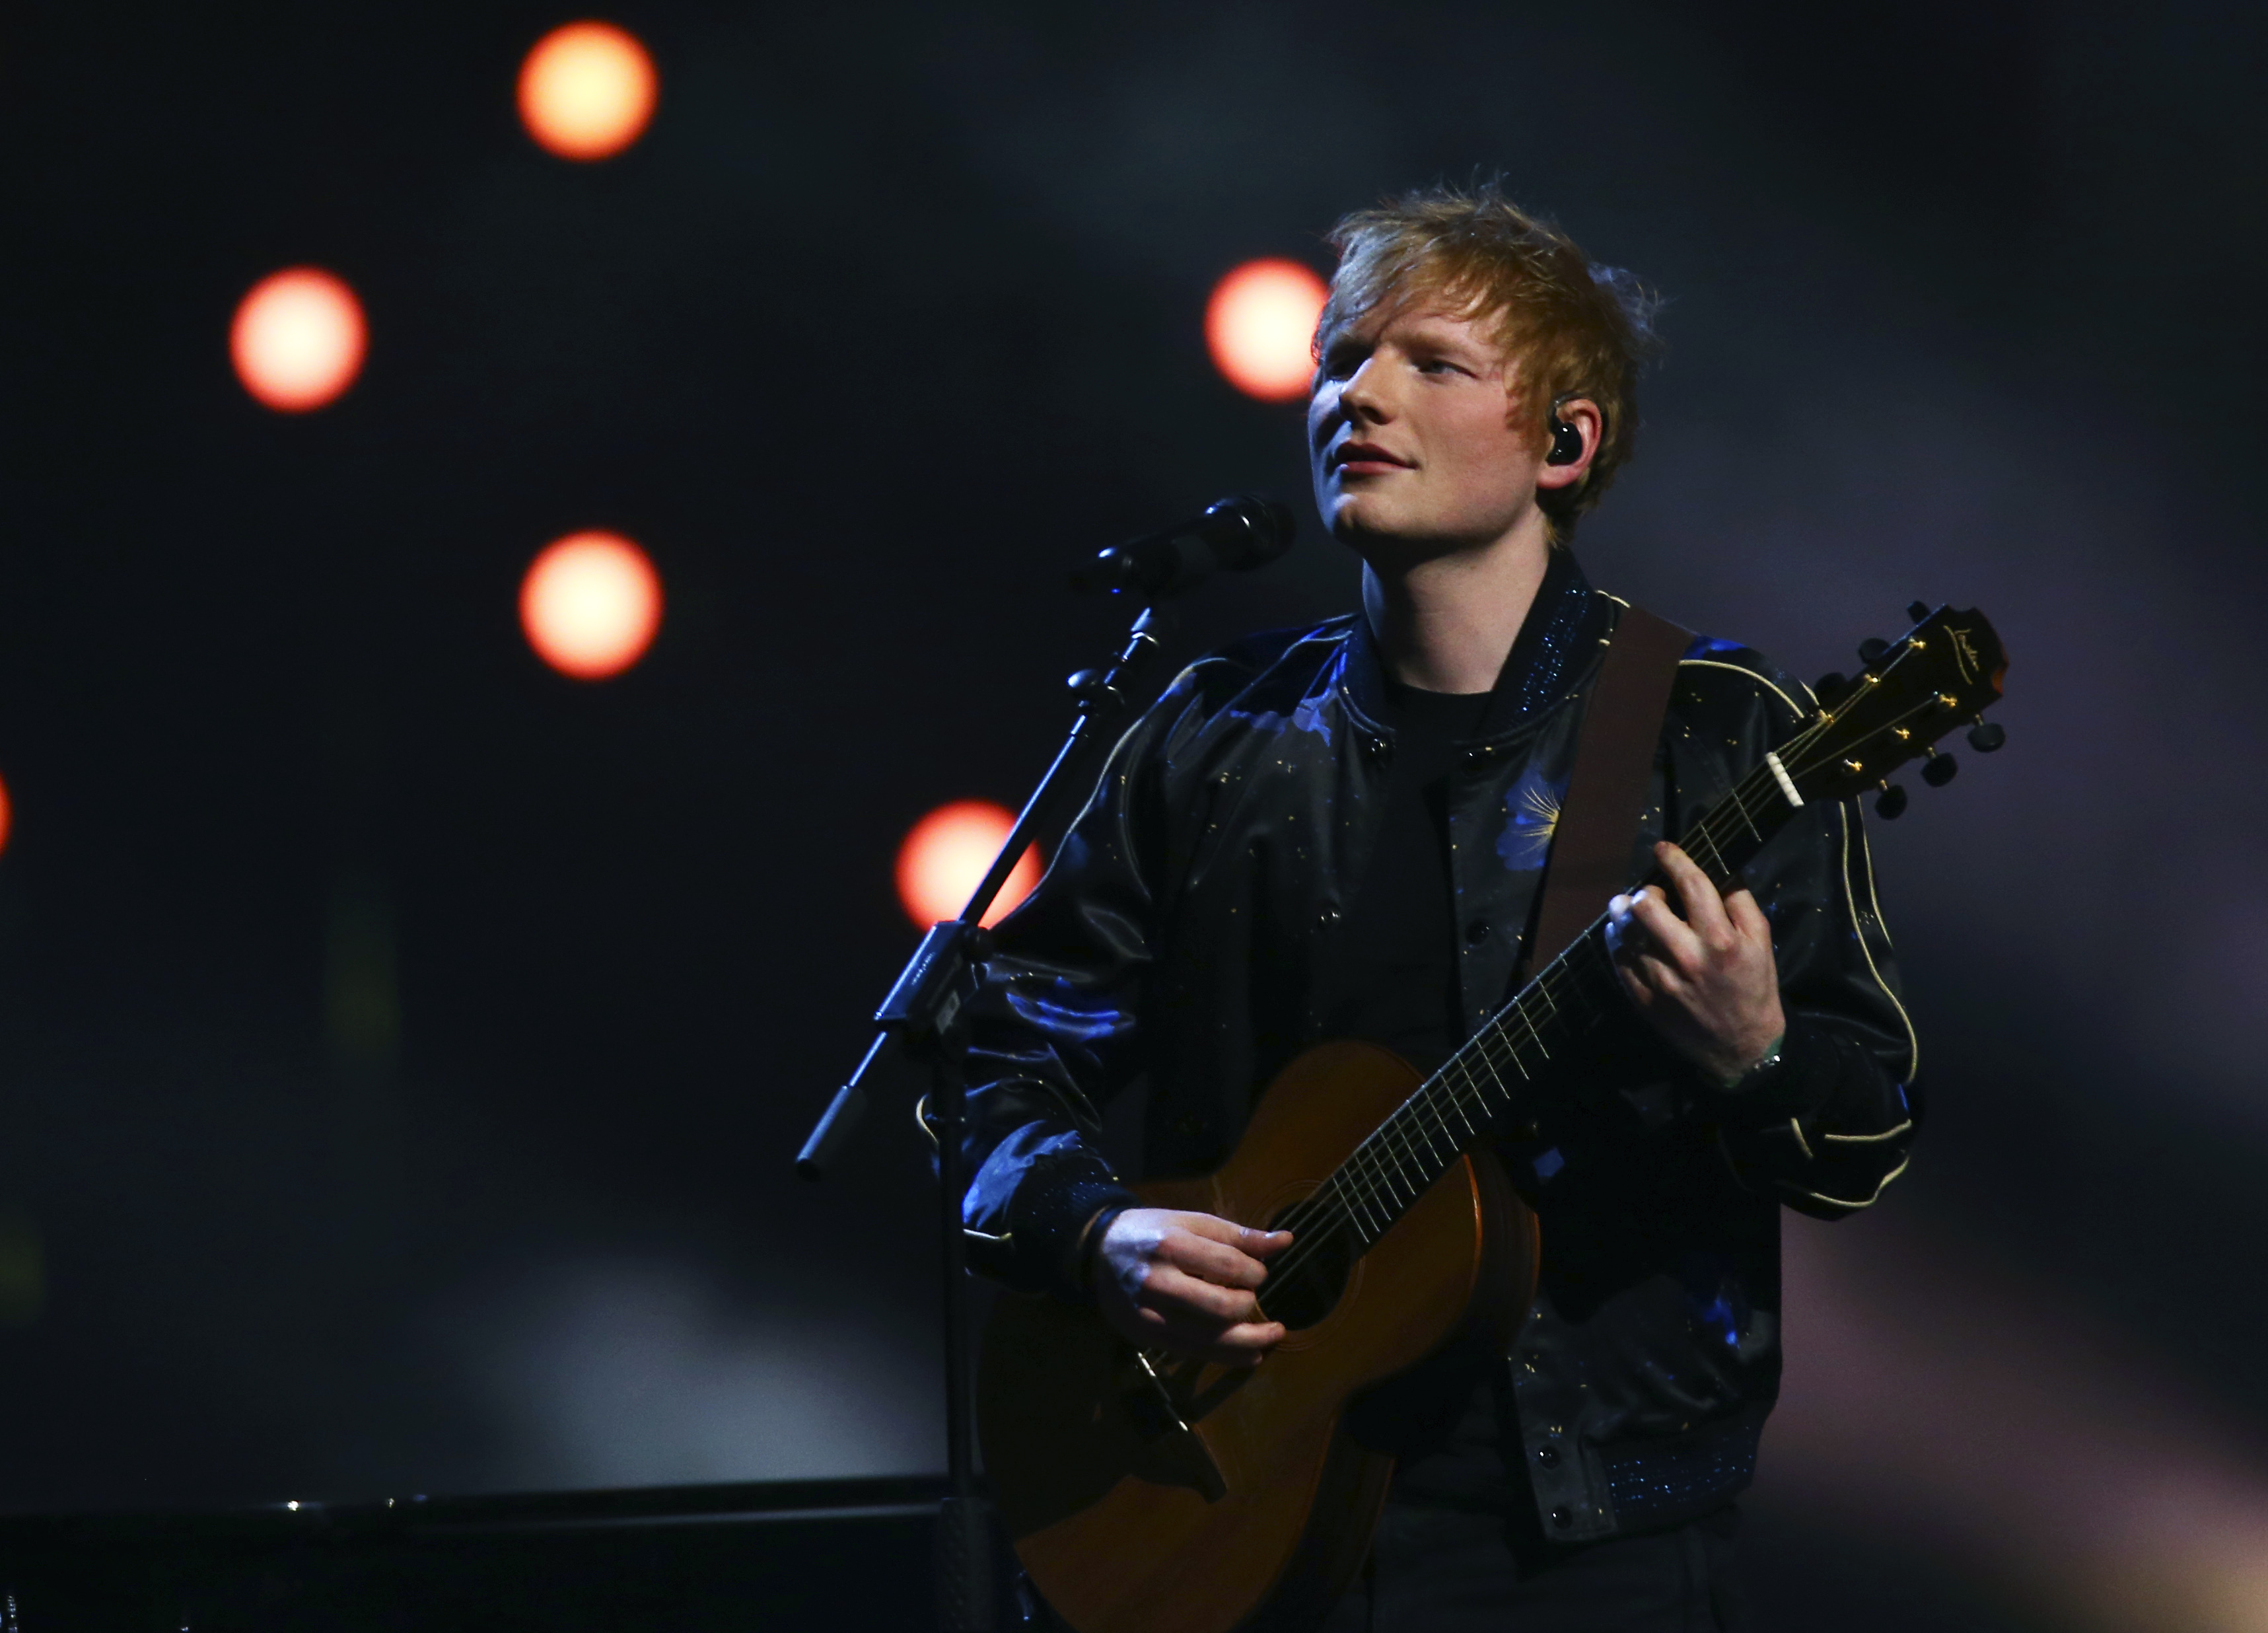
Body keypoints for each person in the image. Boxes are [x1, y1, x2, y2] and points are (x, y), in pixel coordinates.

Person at [956, 183, 1917, 1632]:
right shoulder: (1211, 730)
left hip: (1575, 1540)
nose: (1358, 394)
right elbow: (997, 1054)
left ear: (1563, 442)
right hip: (1228, 1486)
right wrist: (1096, 1234)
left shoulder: (1707, 732)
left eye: (1429, 364)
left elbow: (1864, 1136)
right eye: (1338, 358)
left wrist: (1754, 1056)